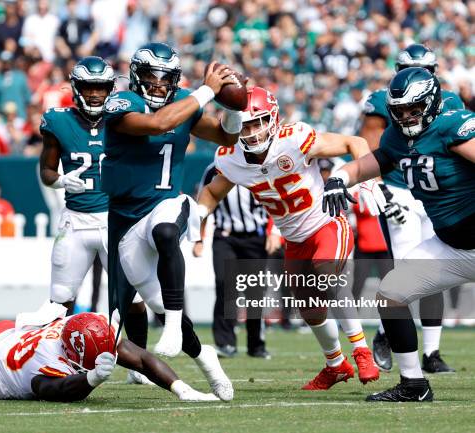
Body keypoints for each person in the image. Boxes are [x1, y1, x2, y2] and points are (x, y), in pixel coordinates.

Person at [198, 87, 383, 390]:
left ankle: (362, 350)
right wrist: (197, 217)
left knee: (326, 273)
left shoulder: (294, 138)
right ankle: (336, 365)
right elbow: (213, 192)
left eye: (259, 122)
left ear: (273, 119)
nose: (254, 131)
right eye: (246, 124)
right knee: (310, 309)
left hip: (326, 222)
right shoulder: (232, 159)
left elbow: (356, 141)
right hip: (294, 240)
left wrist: (370, 179)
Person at [322, 67, 474, 402]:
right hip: (451, 245)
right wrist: (338, 178)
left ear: (431, 104)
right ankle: (414, 384)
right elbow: (369, 163)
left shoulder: (453, 126)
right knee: (390, 293)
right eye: (399, 111)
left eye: (413, 109)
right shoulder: (396, 138)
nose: (406, 117)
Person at [102, 43, 238, 400]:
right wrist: (207, 92)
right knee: (114, 329)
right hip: (124, 221)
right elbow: (159, 123)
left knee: (165, 232)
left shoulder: (186, 104)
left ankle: (175, 323)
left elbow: (227, 136)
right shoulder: (121, 103)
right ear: (136, 75)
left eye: (166, 78)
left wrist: (235, 107)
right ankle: (205, 357)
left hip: (164, 205)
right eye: (152, 76)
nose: (160, 84)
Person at [0, 267, 218, 402]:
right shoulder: (46, 365)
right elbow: (54, 390)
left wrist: (181, 389)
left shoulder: (76, 327)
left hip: (6, 332)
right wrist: (91, 380)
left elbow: (140, 357)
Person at [33, 56, 149, 385]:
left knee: (136, 299)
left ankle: (139, 365)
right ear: (76, 88)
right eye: (89, 87)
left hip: (116, 219)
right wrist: (59, 181)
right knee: (60, 301)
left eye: (101, 88)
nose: (96, 94)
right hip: (75, 220)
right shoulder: (57, 121)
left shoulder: (125, 118)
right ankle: (56, 360)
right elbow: (47, 170)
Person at [360, 44, 464, 374]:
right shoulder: (383, 99)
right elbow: (369, 149)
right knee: (408, 268)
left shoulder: (452, 103)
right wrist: (377, 188)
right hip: (399, 189)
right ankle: (385, 334)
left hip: (442, 196)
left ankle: (431, 352)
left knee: (436, 273)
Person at [195, 162, 273, 359]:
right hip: (225, 236)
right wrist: (199, 238)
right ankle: (225, 343)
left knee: (254, 292)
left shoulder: (263, 166)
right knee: (225, 285)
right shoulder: (213, 169)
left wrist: (275, 232)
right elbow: (204, 203)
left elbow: (277, 202)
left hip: (256, 237)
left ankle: (256, 344)